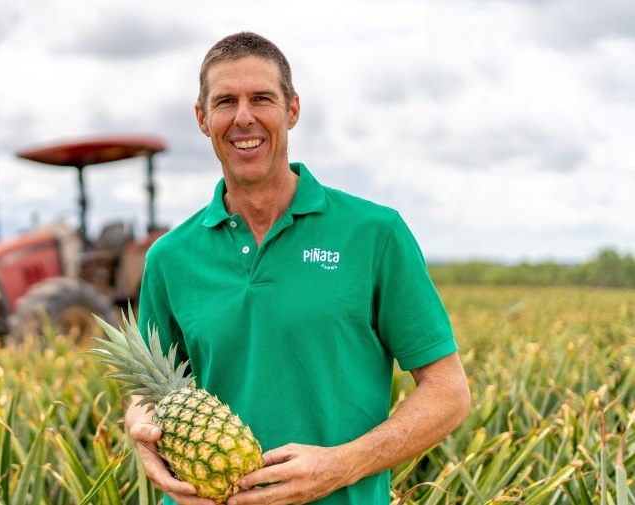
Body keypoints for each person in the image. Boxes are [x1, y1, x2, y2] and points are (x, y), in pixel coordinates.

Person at [125, 31, 471, 505]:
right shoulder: (169, 256)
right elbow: (147, 390)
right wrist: (139, 429)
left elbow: (449, 392)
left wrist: (342, 465)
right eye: (225, 101)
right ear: (203, 119)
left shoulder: (374, 233)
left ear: (292, 110)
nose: (244, 117)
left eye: (262, 99)